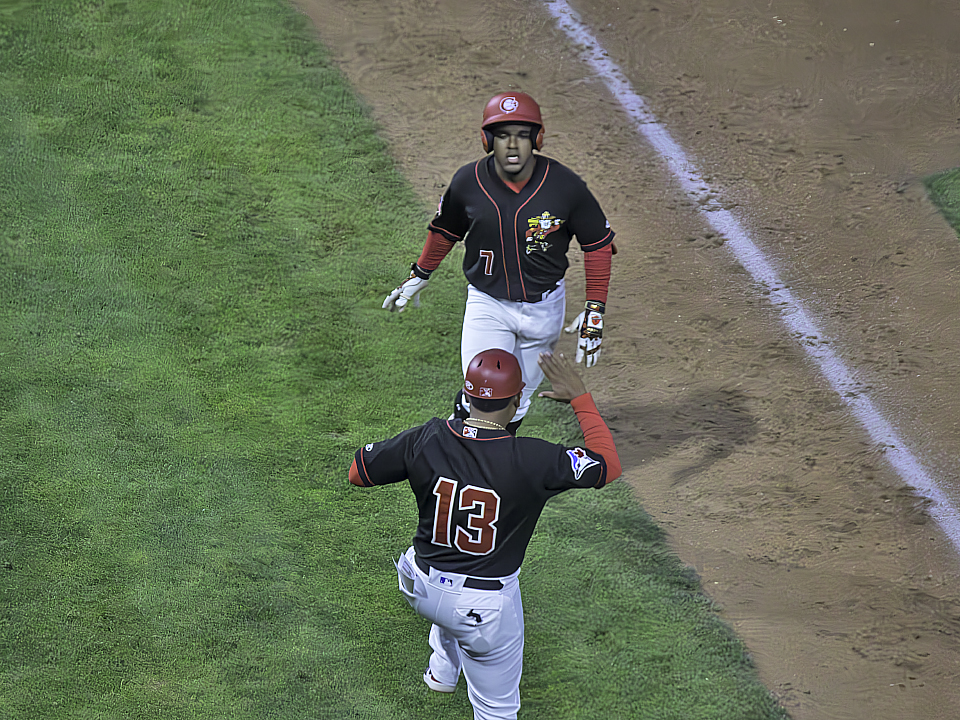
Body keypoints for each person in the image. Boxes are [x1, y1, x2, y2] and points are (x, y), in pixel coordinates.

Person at [348, 349, 622, 720]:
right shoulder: (534, 458)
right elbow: (607, 465)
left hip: (420, 587)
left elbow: (358, 473)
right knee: (497, 711)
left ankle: (442, 672)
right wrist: (579, 396)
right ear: (516, 401)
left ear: (466, 396)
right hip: (483, 611)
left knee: (446, 591)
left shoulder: (427, 438)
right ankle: (450, 669)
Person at [382, 91, 617, 434]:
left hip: (545, 310)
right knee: (481, 394)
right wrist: (420, 274)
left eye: (522, 135)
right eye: (503, 135)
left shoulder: (565, 187)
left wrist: (595, 309)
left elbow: (597, 245)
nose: (512, 145)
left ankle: (487, 465)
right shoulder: (468, 183)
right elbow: (445, 230)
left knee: (515, 405)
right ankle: (455, 455)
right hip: (488, 304)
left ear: (537, 139)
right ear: (487, 139)